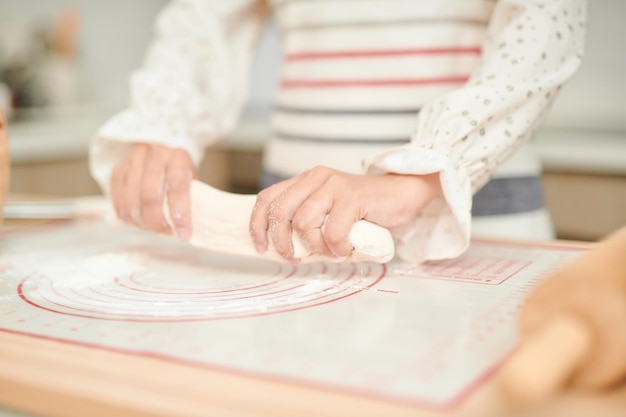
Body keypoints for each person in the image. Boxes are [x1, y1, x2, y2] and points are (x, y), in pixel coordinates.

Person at [90, 0, 587, 263]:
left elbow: (546, 17)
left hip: (478, 222)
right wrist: (164, 120)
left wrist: (422, 177)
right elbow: (202, 17)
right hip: (290, 231)